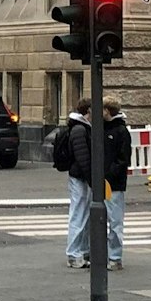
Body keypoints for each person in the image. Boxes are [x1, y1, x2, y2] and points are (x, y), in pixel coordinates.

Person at [62, 99, 94, 269]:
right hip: (80, 177)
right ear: (88, 111)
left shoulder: (80, 128)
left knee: (83, 215)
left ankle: (81, 251)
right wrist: (92, 179)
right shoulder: (80, 130)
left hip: (81, 176)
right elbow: (83, 158)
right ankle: (74, 254)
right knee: (79, 215)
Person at [100, 97, 130, 271]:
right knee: (101, 218)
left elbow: (123, 159)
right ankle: (105, 255)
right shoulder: (102, 129)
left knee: (115, 219)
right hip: (102, 181)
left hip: (114, 183)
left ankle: (115, 256)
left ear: (107, 111)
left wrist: (108, 174)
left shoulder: (120, 131)